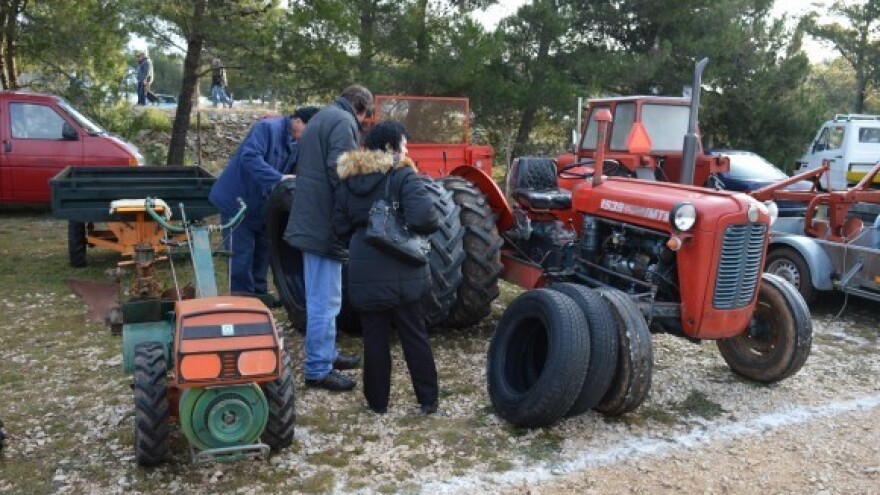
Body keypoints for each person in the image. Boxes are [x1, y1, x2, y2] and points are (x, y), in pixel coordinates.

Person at [332, 121, 441, 414]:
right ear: (391, 147)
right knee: (414, 335)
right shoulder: (402, 174)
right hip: (403, 266)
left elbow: (339, 227)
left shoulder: (348, 180)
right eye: (403, 145)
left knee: (374, 339)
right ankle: (428, 400)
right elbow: (425, 219)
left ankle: (377, 403)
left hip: (364, 270)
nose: (406, 150)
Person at [284, 85, 373, 391]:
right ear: (361, 108)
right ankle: (318, 369)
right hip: (323, 223)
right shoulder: (343, 122)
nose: (363, 124)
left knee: (322, 295)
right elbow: (341, 171)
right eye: (366, 117)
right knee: (325, 298)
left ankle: (327, 354)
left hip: (311, 218)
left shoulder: (322, 117)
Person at [209, 106, 319, 298]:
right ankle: (241, 302)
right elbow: (250, 157)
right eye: (310, 129)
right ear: (298, 121)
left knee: (263, 255)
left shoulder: (298, 142)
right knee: (240, 258)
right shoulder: (267, 128)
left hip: (263, 207)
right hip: (238, 202)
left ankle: (260, 299)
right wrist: (278, 179)